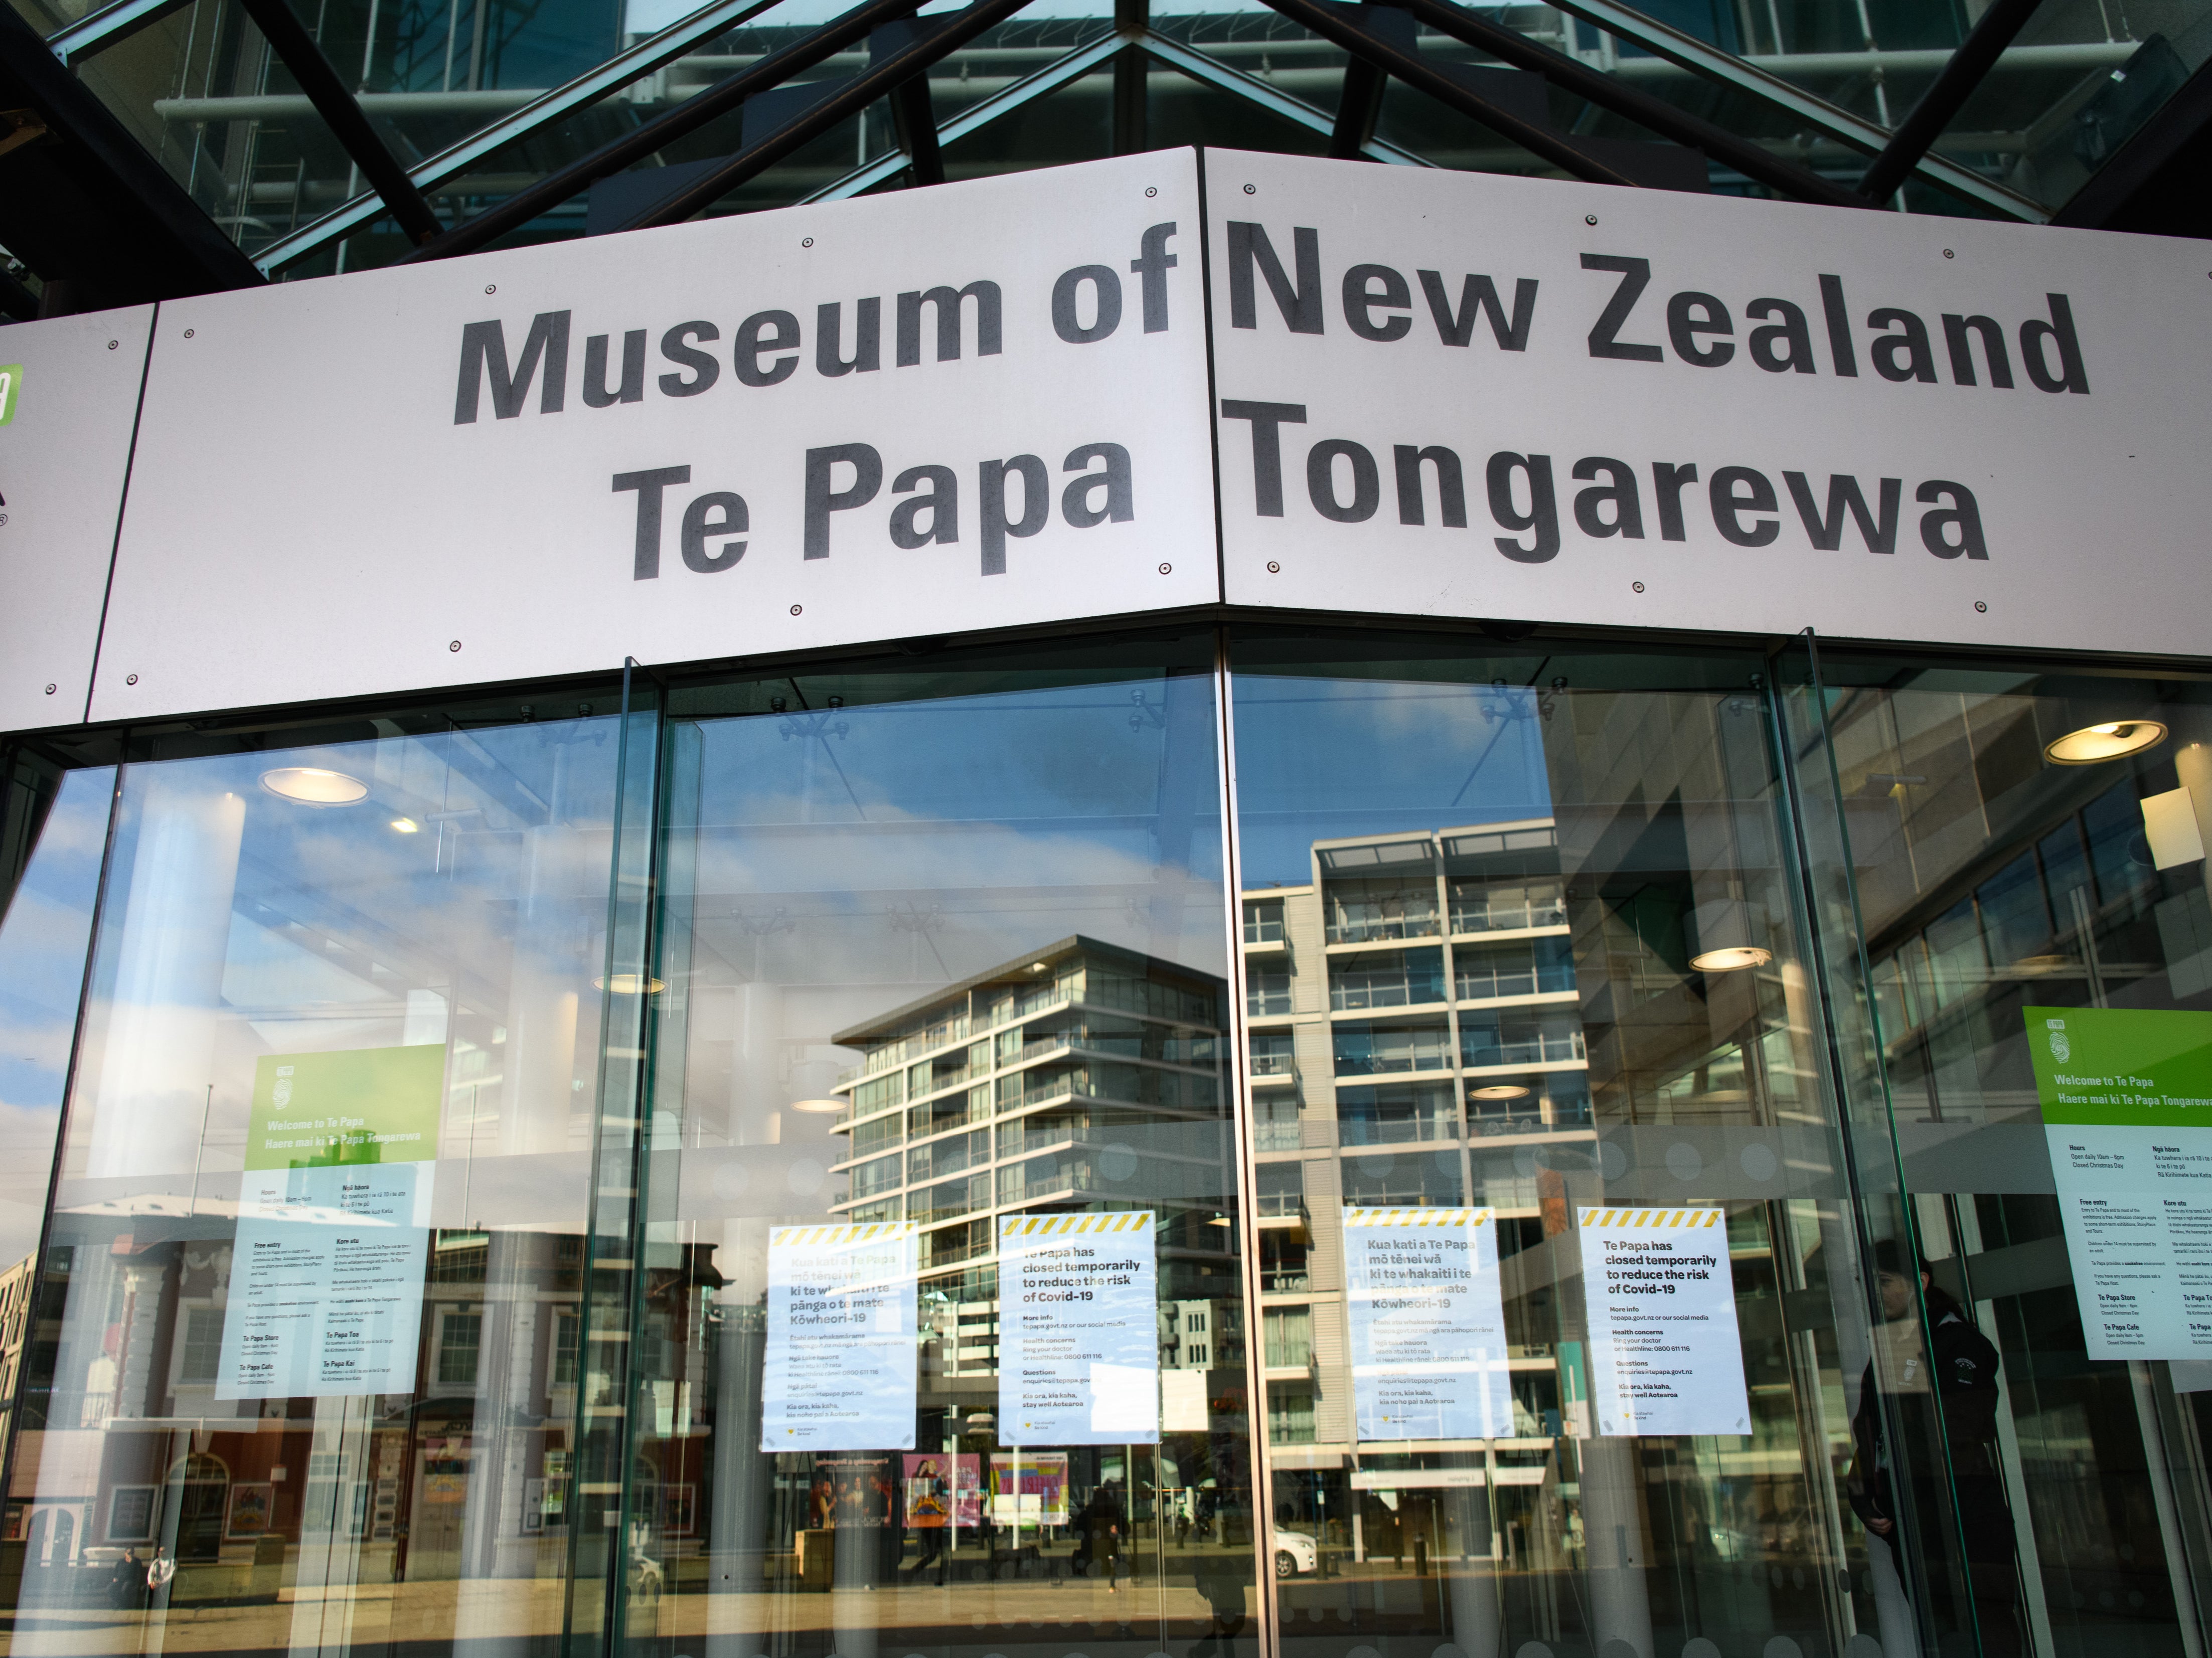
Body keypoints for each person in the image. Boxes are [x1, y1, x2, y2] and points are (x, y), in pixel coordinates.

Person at [1849, 1239, 2021, 1658]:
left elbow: (1958, 1430)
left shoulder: (1958, 1344)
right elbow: (1871, 1434)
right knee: (1942, 1635)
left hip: (1961, 1514)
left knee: (1984, 1631)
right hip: (1915, 1520)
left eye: (1885, 1281)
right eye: (1866, 1283)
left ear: (1920, 1283)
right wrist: (1862, 1496)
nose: (1874, 1292)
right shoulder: (1890, 1349)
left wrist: (1896, 1485)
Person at [1089, 1478, 1125, 1593]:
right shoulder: (1111, 1537)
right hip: (1111, 1554)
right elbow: (1110, 1545)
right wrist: (1111, 1555)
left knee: (1114, 1569)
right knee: (1113, 1569)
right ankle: (1112, 1587)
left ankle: (1113, 1586)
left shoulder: (1112, 1536)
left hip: (1112, 1553)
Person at [144, 1545, 175, 1610]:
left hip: (166, 1582)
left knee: (162, 1590)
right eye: (160, 1552)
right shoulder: (156, 1562)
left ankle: (163, 1606)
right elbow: (151, 1573)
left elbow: (171, 1575)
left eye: (163, 1551)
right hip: (156, 1582)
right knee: (145, 1589)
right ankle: (150, 1607)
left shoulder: (172, 1561)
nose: (160, 1553)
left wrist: (162, 1582)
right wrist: (151, 1582)